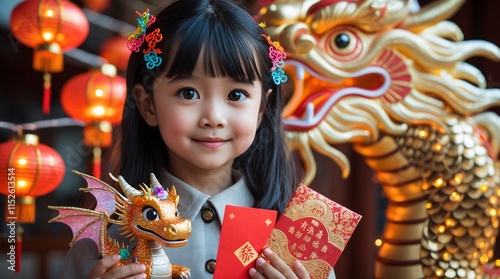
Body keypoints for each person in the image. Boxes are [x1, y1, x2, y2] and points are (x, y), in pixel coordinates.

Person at [57, 0, 336, 278]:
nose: (213, 117)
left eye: (236, 94)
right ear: (148, 105)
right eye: (188, 93)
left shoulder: (297, 240)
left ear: (262, 108)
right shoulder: (104, 243)